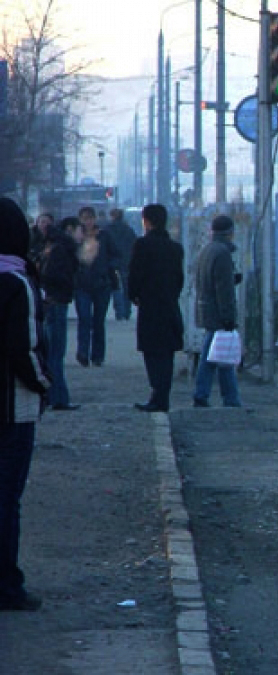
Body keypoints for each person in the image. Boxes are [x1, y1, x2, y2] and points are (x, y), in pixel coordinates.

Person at [0, 197, 52, 611]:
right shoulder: (19, 283)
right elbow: (25, 347)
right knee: (6, 499)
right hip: (11, 407)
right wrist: (44, 384)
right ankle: (7, 585)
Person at [128, 204, 185, 413]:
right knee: (166, 353)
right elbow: (179, 279)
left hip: (150, 306)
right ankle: (163, 396)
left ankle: (157, 395)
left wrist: (133, 295)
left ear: (147, 221)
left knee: (151, 352)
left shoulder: (142, 245)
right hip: (169, 306)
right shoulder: (175, 248)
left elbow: (135, 274)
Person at [192, 214, 241, 408]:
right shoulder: (222, 254)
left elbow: (207, 281)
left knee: (218, 355)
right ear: (230, 233)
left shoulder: (207, 250)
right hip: (217, 313)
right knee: (216, 356)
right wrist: (228, 317)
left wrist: (231, 279)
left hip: (206, 308)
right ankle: (209, 395)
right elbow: (224, 290)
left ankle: (227, 397)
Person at [39, 217, 80, 411]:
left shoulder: (53, 250)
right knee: (56, 353)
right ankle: (58, 397)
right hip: (57, 302)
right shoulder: (61, 251)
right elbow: (58, 277)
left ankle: (56, 396)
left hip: (53, 301)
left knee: (53, 352)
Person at [73, 206, 120, 367]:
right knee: (84, 319)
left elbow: (115, 254)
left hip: (101, 284)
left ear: (94, 219)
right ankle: (83, 353)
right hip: (82, 284)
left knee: (98, 321)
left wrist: (108, 267)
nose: (87, 221)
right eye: (84, 218)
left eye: (90, 218)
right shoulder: (76, 237)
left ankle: (98, 355)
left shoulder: (104, 236)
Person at [105, 207, 137, 321]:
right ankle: (126, 311)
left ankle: (119, 311)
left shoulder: (107, 230)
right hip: (126, 262)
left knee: (115, 287)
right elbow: (134, 245)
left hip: (111, 262)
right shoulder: (129, 230)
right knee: (126, 287)